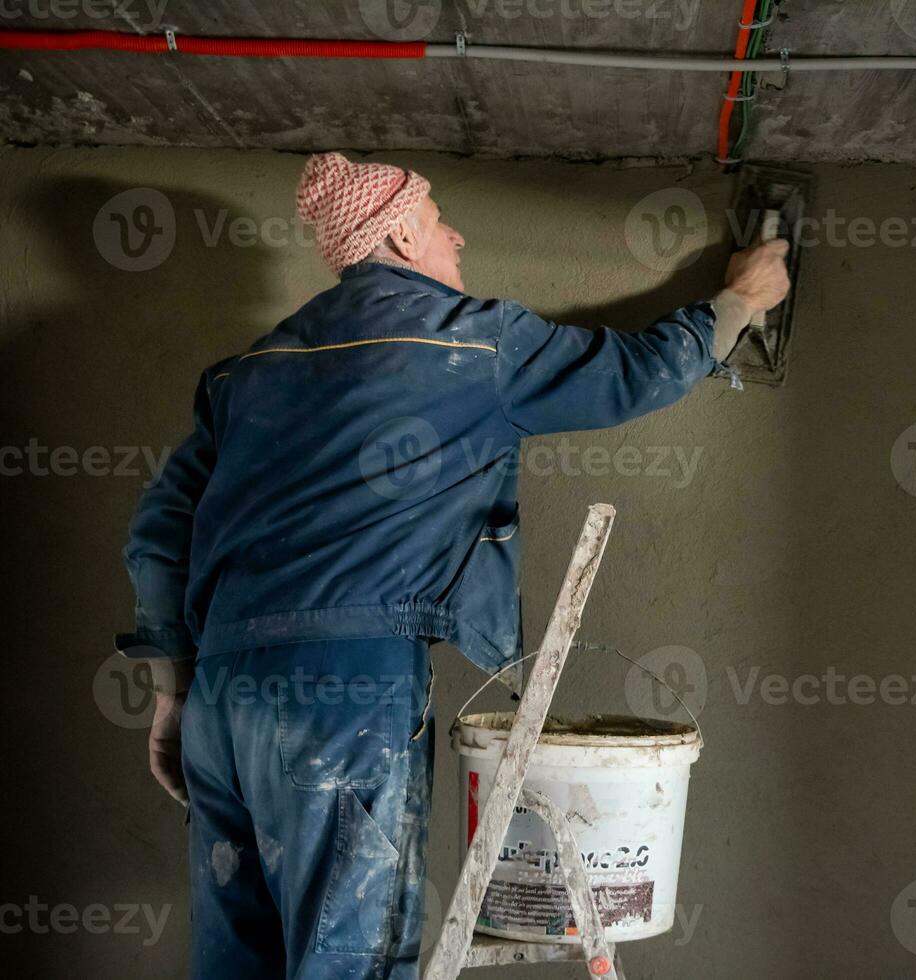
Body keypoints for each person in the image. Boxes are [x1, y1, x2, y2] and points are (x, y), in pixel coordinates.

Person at [116, 151, 790, 979]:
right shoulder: (469, 340)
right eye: (440, 221)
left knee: (235, 961)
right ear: (400, 234)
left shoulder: (244, 374)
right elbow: (632, 375)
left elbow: (158, 529)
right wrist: (740, 302)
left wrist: (173, 688)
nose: (457, 236)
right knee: (350, 961)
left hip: (221, 699)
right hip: (346, 692)